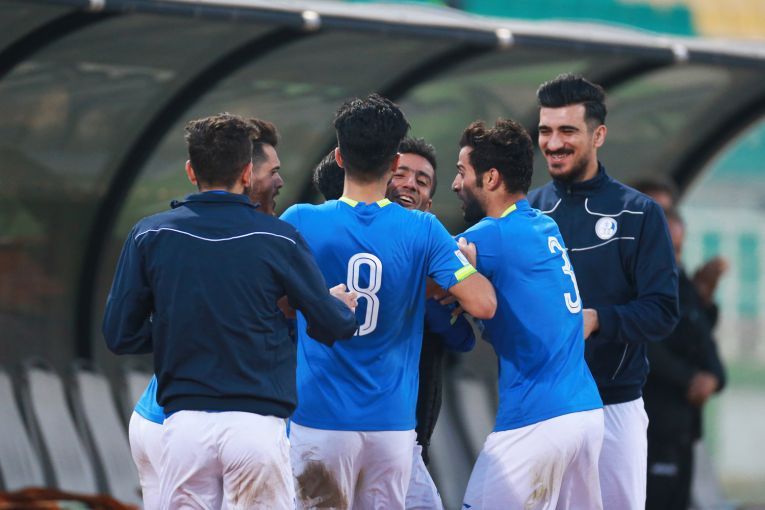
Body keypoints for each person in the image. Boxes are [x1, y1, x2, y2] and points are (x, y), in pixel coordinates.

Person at [103, 113, 358, 509]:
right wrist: (341, 309)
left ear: (191, 171)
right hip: (254, 427)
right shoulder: (279, 238)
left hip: (183, 427)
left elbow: (119, 334)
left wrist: (181, 329)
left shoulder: (150, 234)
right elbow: (331, 324)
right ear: (246, 172)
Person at [281, 94, 496, 509]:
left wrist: (315, 301)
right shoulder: (423, 229)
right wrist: (457, 272)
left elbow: (268, 303)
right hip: (391, 427)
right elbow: (483, 304)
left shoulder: (300, 220)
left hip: (319, 422)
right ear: (395, 162)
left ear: (339, 156)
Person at [528, 74, 680, 510]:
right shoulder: (528, 213)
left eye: (567, 131)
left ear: (598, 136)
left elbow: (662, 312)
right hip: (540, 407)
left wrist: (598, 320)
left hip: (614, 406)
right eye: (545, 131)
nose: (554, 143)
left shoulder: (639, 214)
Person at [124, 117, 292, 509]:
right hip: (206, 420)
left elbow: (123, 332)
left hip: (163, 421)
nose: (280, 182)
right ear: (246, 174)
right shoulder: (271, 242)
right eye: (273, 172)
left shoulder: (168, 234)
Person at [311, 138, 476, 510]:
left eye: (422, 180)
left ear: (429, 204)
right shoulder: (330, 242)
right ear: (380, 177)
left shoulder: (434, 251)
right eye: (401, 174)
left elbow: (463, 337)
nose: (410, 184)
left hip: (405, 435)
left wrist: (435, 287)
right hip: (330, 426)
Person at [453, 118, 604, 509]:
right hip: (584, 413)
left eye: (461, 172)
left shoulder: (492, 234)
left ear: (490, 178)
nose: (455, 184)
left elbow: (415, 270)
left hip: (538, 418)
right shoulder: (544, 225)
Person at [643, 208, 726, 510]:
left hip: (683, 430)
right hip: (652, 427)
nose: (673, 257)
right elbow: (647, 347)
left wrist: (713, 378)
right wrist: (690, 379)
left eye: (678, 249)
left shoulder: (683, 286)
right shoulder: (636, 287)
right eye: (667, 248)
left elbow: (703, 343)